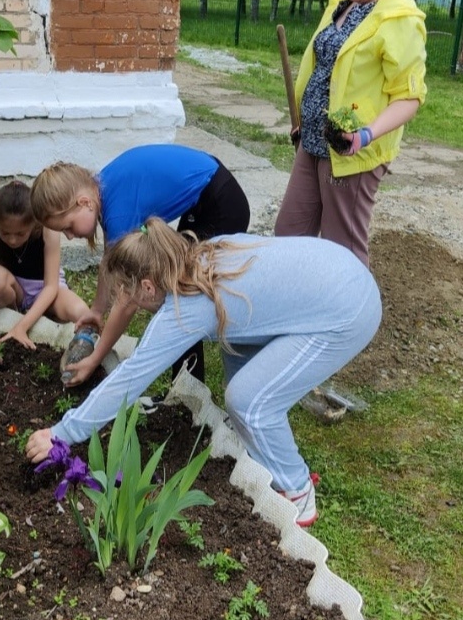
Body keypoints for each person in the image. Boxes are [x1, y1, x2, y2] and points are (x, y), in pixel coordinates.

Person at [25, 217, 382, 526]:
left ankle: (296, 488)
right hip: (339, 269)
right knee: (238, 354)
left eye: (127, 294)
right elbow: (244, 325)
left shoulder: (186, 309)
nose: (128, 302)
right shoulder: (201, 257)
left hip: (346, 312)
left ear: (148, 287)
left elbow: (130, 378)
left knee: (250, 402)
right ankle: (257, 445)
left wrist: (62, 433)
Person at [274, 0, 427, 268]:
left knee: (342, 251)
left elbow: (409, 97)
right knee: (287, 236)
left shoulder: (399, 19)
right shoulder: (344, 3)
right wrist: (303, 120)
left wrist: (365, 135)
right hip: (312, 141)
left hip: (351, 152)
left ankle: (351, 321)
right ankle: (291, 310)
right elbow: (326, 68)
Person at [30, 144, 250, 385]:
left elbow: (127, 301)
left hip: (222, 203)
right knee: (179, 291)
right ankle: (185, 387)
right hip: (208, 191)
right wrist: (97, 311)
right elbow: (110, 260)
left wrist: (95, 358)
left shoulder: (117, 215)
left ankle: (189, 390)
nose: (70, 237)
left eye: (68, 227)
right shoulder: (100, 188)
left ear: (84, 203)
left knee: (182, 296)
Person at [0, 181, 91, 364]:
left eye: (20, 233)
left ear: (34, 223)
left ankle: (86, 354)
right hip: (14, 289)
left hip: (47, 290)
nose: (13, 240)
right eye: (5, 233)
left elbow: (50, 286)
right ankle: (13, 314)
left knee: (81, 311)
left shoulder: (48, 230)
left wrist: (21, 328)